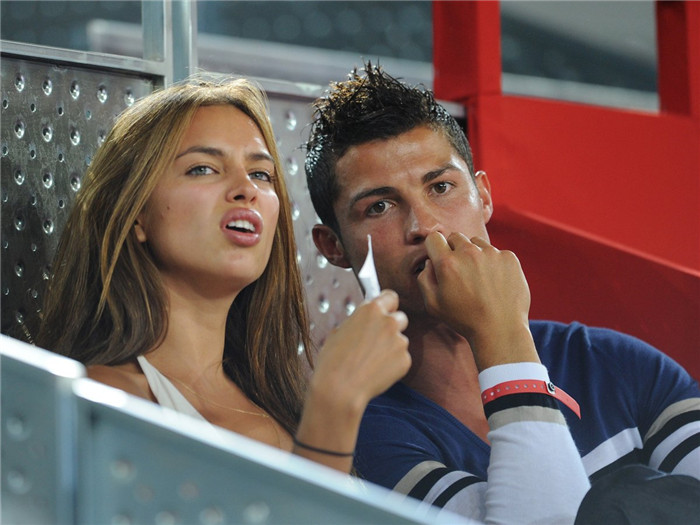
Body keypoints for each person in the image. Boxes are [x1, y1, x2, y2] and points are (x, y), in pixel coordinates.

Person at [304, 63, 700, 522]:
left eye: (441, 187)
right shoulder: (368, 439)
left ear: (485, 197)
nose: (424, 226)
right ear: (333, 246)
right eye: (379, 206)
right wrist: (502, 334)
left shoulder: (617, 365)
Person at [36, 75, 411, 474]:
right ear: (137, 214)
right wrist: (334, 405)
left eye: (261, 174)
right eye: (203, 168)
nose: (245, 189)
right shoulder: (102, 398)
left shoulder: (285, 408)